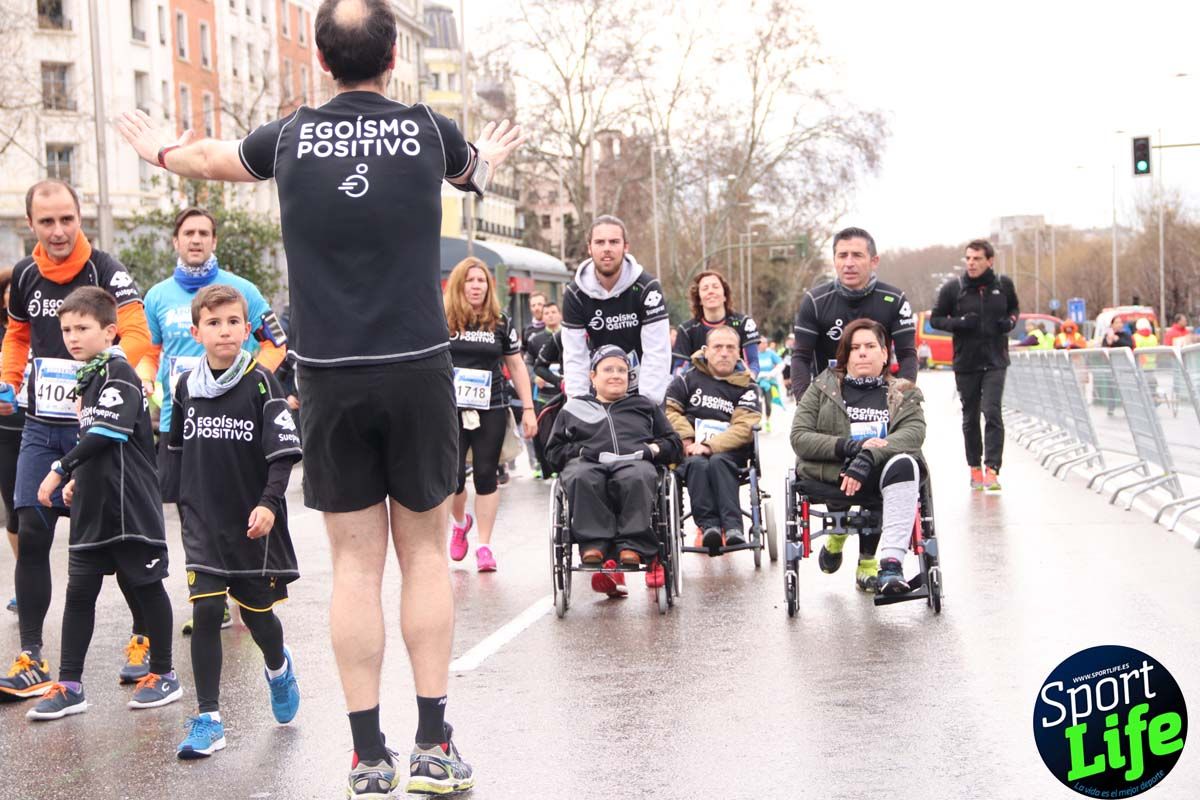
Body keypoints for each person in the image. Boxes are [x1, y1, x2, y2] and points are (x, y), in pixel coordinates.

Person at [116, 0, 523, 793]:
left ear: (321, 59)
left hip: (329, 374)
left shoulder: (291, 135)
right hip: (415, 369)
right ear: (395, 55)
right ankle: (433, 748)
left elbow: (209, 158)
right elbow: (475, 171)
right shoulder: (425, 129)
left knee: (355, 569)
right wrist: (490, 159)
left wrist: (159, 150)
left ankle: (369, 757)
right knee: (426, 559)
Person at [0, 180, 154, 700]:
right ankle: (30, 657)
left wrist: (105, 376)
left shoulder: (105, 270)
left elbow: (134, 333)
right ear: (32, 226)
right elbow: (18, 334)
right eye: (47, 222)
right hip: (41, 424)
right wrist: (8, 379)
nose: (59, 231)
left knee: (116, 543)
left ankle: (145, 639)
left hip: (95, 425)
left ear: (80, 215)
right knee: (31, 527)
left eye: (67, 219)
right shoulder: (24, 274)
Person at [25, 287, 179, 720]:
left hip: (129, 507)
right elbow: (95, 442)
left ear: (110, 331)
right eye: (66, 329)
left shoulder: (118, 372)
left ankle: (164, 674)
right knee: (78, 596)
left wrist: (60, 468)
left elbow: (108, 433)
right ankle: (71, 685)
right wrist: (78, 478)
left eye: (82, 328)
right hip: (92, 509)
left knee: (147, 589)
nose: (72, 337)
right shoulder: (88, 377)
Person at [139, 205, 287, 636]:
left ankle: (243, 584)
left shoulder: (244, 290)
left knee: (240, 498)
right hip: (179, 418)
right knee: (191, 504)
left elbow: (276, 344)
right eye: (189, 233)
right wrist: (145, 378)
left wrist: (251, 379)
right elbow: (151, 351)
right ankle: (211, 590)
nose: (197, 240)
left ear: (215, 241)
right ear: (176, 241)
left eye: (205, 232)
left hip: (239, 419)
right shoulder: (158, 296)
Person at [168, 285, 302, 758]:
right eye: (213, 322)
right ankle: (208, 719)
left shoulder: (262, 382)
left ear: (247, 330)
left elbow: (284, 455)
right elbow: (177, 453)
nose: (224, 331)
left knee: (259, 618)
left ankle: (278, 668)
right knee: (205, 611)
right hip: (203, 521)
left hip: (251, 522)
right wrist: (173, 502)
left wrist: (268, 504)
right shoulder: (186, 386)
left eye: (232, 322)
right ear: (195, 332)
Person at [790, 318, 927, 594]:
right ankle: (836, 535)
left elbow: (913, 433)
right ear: (846, 355)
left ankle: (890, 567)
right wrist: (850, 448)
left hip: (879, 473)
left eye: (870, 345)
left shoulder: (903, 393)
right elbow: (800, 436)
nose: (862, 352)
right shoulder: (822, 388)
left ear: (885, 353)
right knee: (863, 473)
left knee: (905, 463)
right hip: (831, 473)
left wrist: (870, 455)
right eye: (854, 348)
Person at [545, 346, 682, 596]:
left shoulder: (644, 406)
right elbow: (553, 453)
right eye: (608, 369)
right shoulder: (574, 409)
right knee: (580, 476)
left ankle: (631, 545)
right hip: (588, 463)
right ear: (592, 376)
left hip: (634, 461)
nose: (616, 375)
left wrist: (652, 449)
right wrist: (580, 452)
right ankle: (594, 544)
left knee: (638, 476)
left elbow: (674, 445)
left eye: (622, 370)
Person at [444, 258, 536, 573]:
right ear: (459, 285)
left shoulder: (500, 321)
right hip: (451, 408)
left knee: (486, 475)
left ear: (488, 286)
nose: (475, 286)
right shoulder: (444, 319)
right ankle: (460, 523)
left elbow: (516, 365)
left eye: (481, 280)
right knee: (453, 478)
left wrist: (528, 408)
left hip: (492, 405)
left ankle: (484, 546)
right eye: (469, 280)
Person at [930, 239, 1018, 492]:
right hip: (966, 362)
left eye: (977, 258)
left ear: (989, 261)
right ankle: (974, 468)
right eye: (968, 258)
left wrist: (1010, 322)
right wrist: (959, 323)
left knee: (991, 412)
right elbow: (936, 319)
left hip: (995, 360)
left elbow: (1014, 308)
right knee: (970, 417)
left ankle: (993, 470)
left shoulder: (1003, 285)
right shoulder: (953, 288)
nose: (971, 263)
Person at [790, 227, 917, 400]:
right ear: (834, 260)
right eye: (842, 256)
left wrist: (903, 400)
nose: (849, 263)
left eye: (857, 255)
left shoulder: (895, 299)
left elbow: (907, 355)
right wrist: (804, 404)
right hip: (830, 400)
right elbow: (800, 357)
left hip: (881, 400)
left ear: (874, 261)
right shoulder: (814, 301)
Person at [666, 326, 761, 551]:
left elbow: (745, 426)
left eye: (730, 348)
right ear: (706, 351)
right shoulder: (686, 380)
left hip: (729, 452)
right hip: (691, 451)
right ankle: (709, 527)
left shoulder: (748, 387)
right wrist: (687, 440)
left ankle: (733, 528)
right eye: (718, 347)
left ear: (739, 353)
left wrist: (710, 446)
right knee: (697, 464)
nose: (724, 353)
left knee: (719, 462)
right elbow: (669, 412)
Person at [561, 215, 671, 403]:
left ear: (625, 247)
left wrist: (647, 402)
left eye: (614, 242)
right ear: (589, 248)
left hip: (643, 391)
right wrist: (578, 403)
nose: (607, 249)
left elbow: (657, 351)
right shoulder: (574, 294)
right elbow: (575, 356)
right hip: (599, 392)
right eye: (599, 242)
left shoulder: (648, 287)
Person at [672, 270, 760, 375]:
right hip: (699, 388)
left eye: (715, 287)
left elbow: (752, 364)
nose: (710, 291)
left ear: (724, 296)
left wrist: (746, 383)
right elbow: (678, 370)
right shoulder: (686, 330)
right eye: (705, 288)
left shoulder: (744, 323)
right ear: (699, 299)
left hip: (736, 386)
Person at [0, 267, 23, 614]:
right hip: (6, 433)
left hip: (52, 428)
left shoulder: (53, 331)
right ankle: (25, 579)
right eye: (9, 289)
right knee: (16, 512)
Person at [527, 300, 562, 477]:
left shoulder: (568, 336)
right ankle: (545, 467)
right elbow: (528, 363)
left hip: (564, 394)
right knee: (543, 434)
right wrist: (535, 377)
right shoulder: (535, 339)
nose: (550, 315)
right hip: (543, 396)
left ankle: (559, 465)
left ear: (560, 314)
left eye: (553, 312)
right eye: (546, 313)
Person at [756, 339, 786, 432]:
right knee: (758, 401)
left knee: (768, 403)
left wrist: (772, 373)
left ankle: (768, 420)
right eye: (761, 343)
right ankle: (758, 420)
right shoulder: (755, 354)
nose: (763, 345)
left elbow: (781, 364)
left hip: (769, 382)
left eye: (765, 343)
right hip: (757, 382)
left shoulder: (770, 353)